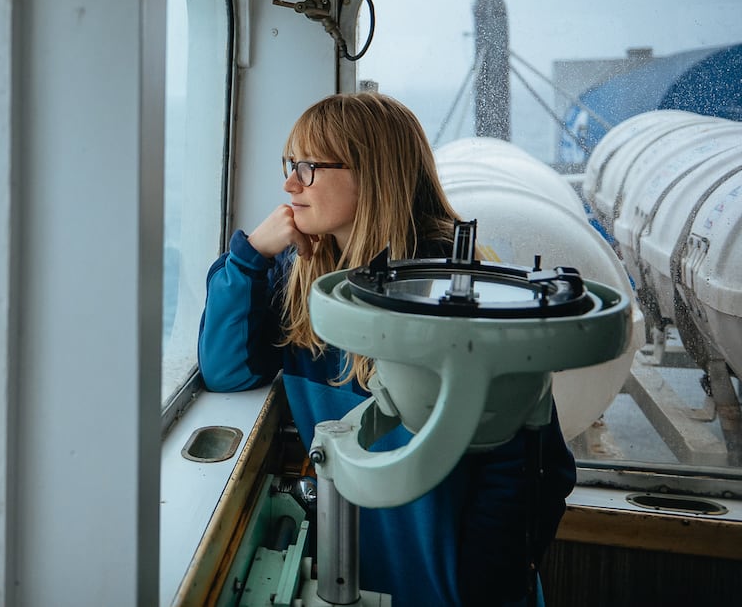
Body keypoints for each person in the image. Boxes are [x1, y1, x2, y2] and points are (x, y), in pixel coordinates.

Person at [198, 91, 575, 606]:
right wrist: (250, 256)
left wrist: (486, 588)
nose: (290, 184)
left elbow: (535, 467)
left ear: (370, 174)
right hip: (357, 572)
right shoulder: (300, 281)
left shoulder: (462, 294)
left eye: (308, 167)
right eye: (290, 165)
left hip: (454, 583)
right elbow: (226, 371)